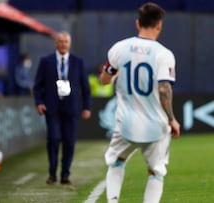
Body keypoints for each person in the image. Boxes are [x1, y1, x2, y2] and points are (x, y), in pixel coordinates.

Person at [99, 2, 181, 203]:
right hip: (156, 124)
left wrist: (115, 73)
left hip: (125, 123)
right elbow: (164, 88)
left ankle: (113, 201)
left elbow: (104, 79)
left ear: (138, 23)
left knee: (117, 162)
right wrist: (172, 119)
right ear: (159, 25)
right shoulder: (164, 54)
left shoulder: (119, 48)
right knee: (155, 172)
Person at [33, 31, 92, 185]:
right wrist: (39, 102)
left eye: (66, 41)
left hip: (71, 108)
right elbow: (37, 85)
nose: (63, 44)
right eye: (60, 41)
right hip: (51, 107)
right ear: (55, 44)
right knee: (53, 139)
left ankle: (65, 174)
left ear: (69, 44)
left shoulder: (78, 62)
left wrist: (87, 106)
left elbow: (85, 87)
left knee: (69, 142)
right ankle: (52, 174)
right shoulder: (46, 61)